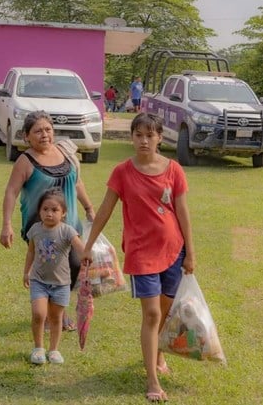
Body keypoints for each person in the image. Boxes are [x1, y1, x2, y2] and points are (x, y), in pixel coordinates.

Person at [82, 113, 196, 402]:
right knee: (152, 314)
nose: (144, 140)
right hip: (141, 253)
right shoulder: (122, 172)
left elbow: (182, 212)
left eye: (150, 135)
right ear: (131, 138)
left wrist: (190, 253)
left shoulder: (174, 170)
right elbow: (105, 210)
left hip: (173, 250)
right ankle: (153, 380)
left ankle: (158, 355)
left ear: (159, 138)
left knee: (165, 312)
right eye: (138, 135)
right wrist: (88, 245)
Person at [0, 110, 95, 331]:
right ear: (26, 136)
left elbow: (77, 182)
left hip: (69, 226)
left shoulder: (64, 152)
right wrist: (6, 224)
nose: (44, 135)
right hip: (41, 229)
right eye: (38, 131)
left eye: (48, 129)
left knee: (72, 266)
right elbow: (11, 192)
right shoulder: (26, 161)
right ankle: (52, 316)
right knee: (49, 270)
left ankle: (56, 313)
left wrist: (89, 208)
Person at [24, 188, 87, 364]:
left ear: (64, 213)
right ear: (39, 211)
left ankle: (53, 350)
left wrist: (87, 256)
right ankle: (38, 348)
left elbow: (79, 246)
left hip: (61, 283)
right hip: (39, 281)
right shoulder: (35, 229)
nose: (49, 214)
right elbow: (31, 252)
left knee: (56, 318)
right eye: (45, 209)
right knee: (38, 314)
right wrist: (26, 272)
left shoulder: (67, 231)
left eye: (54, 210)